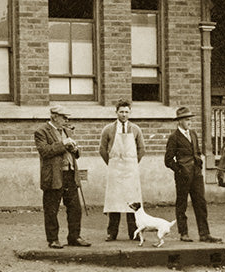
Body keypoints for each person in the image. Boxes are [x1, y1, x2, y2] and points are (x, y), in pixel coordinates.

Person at [34, 105, 89, 248]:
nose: (66, 120)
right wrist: (63, 144)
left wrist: (76, 149)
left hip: (70, 174)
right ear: (54, 116)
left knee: (75, 208)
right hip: (54, 176)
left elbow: (75, 153)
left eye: (67, 117)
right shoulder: (41, 131)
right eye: (64, 117)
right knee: (52, 209)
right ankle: (53, 239)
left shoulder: (66, 131)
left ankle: (74, 237)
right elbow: (45, 151)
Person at [164, 106, 221, 243]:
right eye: (186, 119)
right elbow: (168, 160)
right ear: (180, 121)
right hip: (183, 176)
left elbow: (197, 152)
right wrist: (180, 170)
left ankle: (204, 234)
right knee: (182, 204)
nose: (189, 122)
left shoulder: (193, 134)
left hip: (196, 174)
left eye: (190, 119)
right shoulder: (174, 137)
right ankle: (183, 233)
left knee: (200, 203)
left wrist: (199, 165)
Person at [99, 100, 145, 241]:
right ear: (116, 112)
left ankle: (134, 232)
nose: (124, 114)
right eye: (121, 112)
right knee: (114, 202)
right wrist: (112, 163)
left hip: (131, 171)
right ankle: (112, 233)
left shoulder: (136, 129)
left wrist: (131, 164)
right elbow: (102, 149)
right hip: (115, 170)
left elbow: (141, 149)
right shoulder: (108, 129)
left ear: (130, 112)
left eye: (126, 112)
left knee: (132, 202)